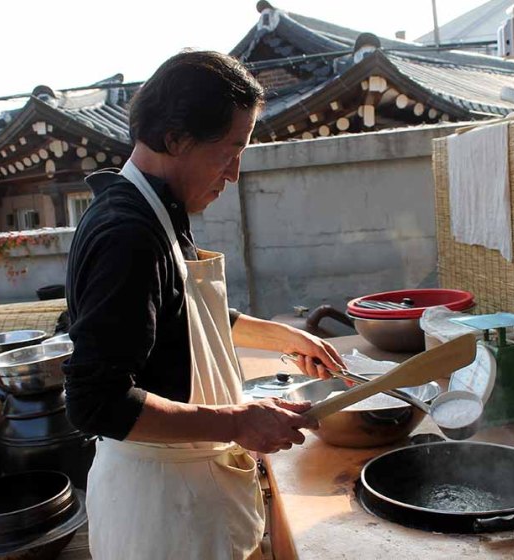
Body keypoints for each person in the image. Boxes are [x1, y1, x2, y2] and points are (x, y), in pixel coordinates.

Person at [63, 50, 343, 560]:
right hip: (164, 516)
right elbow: (96, 402)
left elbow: (184, 317)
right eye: (229, 151)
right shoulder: (128, 234)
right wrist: (238, 421)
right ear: (176, 138)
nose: (234, 173)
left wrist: (287, 337)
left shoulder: (159, 210)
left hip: (189, 499)